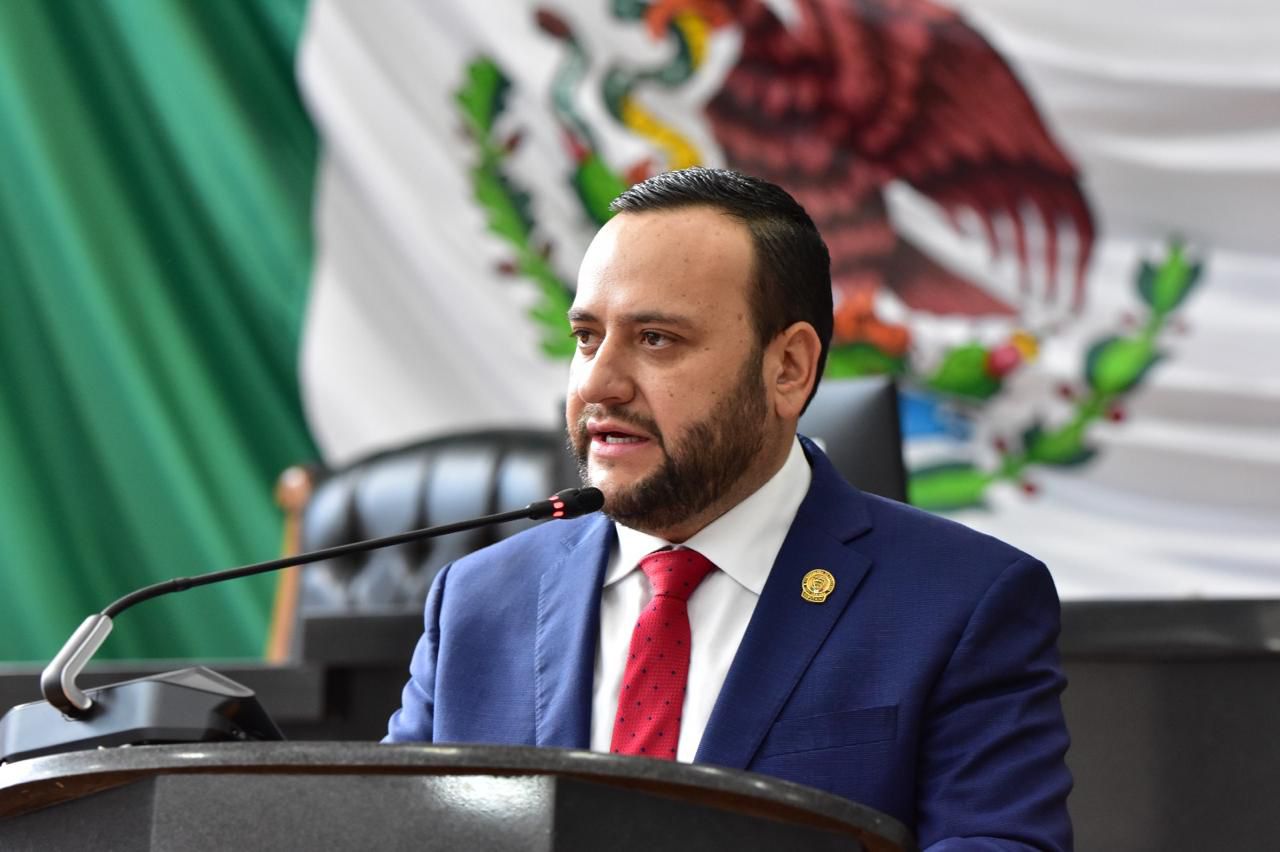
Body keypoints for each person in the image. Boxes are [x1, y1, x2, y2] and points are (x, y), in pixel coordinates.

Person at [386, 168, 1072, 850]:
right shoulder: (477, 601)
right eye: (587, 337)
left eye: (656, 338)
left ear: (789, 368)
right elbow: (387, 830)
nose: (597, 382)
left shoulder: (959, 603)